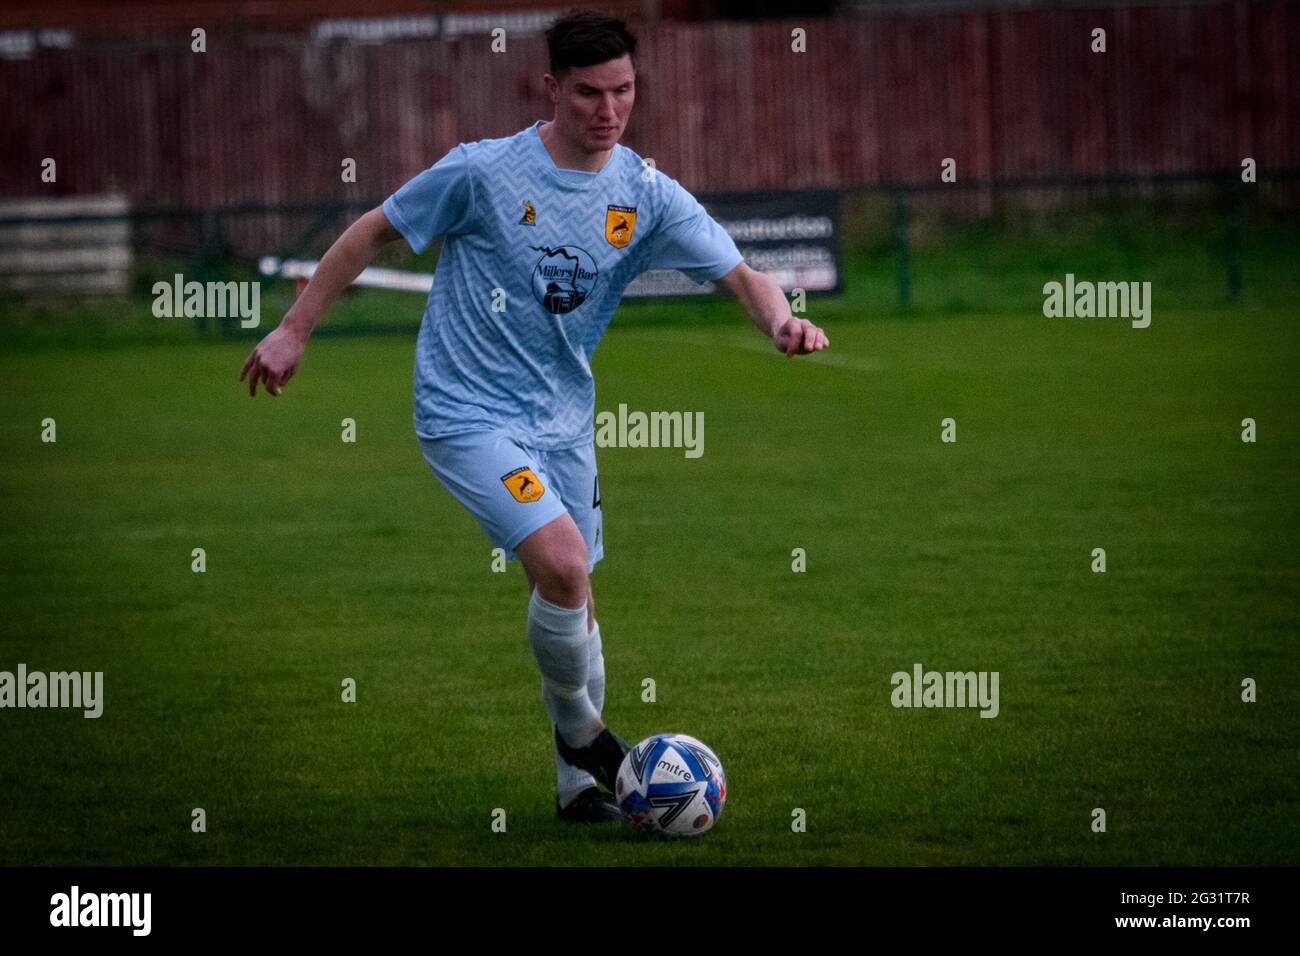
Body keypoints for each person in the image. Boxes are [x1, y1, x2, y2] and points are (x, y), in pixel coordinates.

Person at [240, 10, 829, 823]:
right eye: (589, 92)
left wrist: (781, 323)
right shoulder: (483, 174)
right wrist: (293, 327)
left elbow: (741, 272)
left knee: (575, 595)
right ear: (552, 88)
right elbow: (371, 235)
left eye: (623, 90)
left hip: (563, 422)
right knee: (562, 562)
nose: (608, 110)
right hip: (465, 410)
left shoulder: (645, 193)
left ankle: (579, 789)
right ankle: (591, 738)